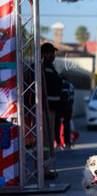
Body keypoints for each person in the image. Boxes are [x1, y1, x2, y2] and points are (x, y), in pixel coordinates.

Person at [41, 42, 63, 179]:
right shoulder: (41, 67)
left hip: (53, 108)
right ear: (43, 53)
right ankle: (43, 169)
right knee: (44, 142)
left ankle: (46, 168)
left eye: (53, 53)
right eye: (50, 52)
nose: (53, 55)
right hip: (45, 108)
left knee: (49, 140)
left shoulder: (51, 68)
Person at [55, 77, 75, 150]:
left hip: (59, 106)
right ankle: (67, 143)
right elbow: (72, 98)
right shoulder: (70, 86)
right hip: (68, 107)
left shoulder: (59, 84)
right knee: (67, 125)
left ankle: (58, 143)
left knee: (57, 125)